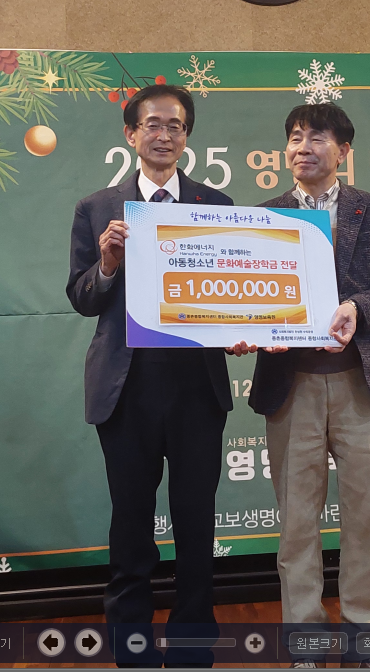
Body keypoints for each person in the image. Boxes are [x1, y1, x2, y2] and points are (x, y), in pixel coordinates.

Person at [67, 85, 235, 668]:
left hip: (197, 387)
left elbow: (230, 294)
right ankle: (132, 646)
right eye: (154, 125)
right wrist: (107, 263)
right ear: (131, 134)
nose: (165, 135)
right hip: (126, 389)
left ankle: (192, 645)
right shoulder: (96, 208)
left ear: (187, 137)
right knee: (131, 527)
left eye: (176, 126)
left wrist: (241, 329)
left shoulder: (215, 204)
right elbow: (82, 298)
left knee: (197, 524)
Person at [249, 104, 370, 669]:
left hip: (361, 385)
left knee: (366, 519)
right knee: (297, 524)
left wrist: (356, 307)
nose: (303, 147)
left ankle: (366, 645)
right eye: (295, 138)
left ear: (343, 150)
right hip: (290, 386)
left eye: (317, 138)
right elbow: (253, 299)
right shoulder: (265, 216)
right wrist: (261, 330)